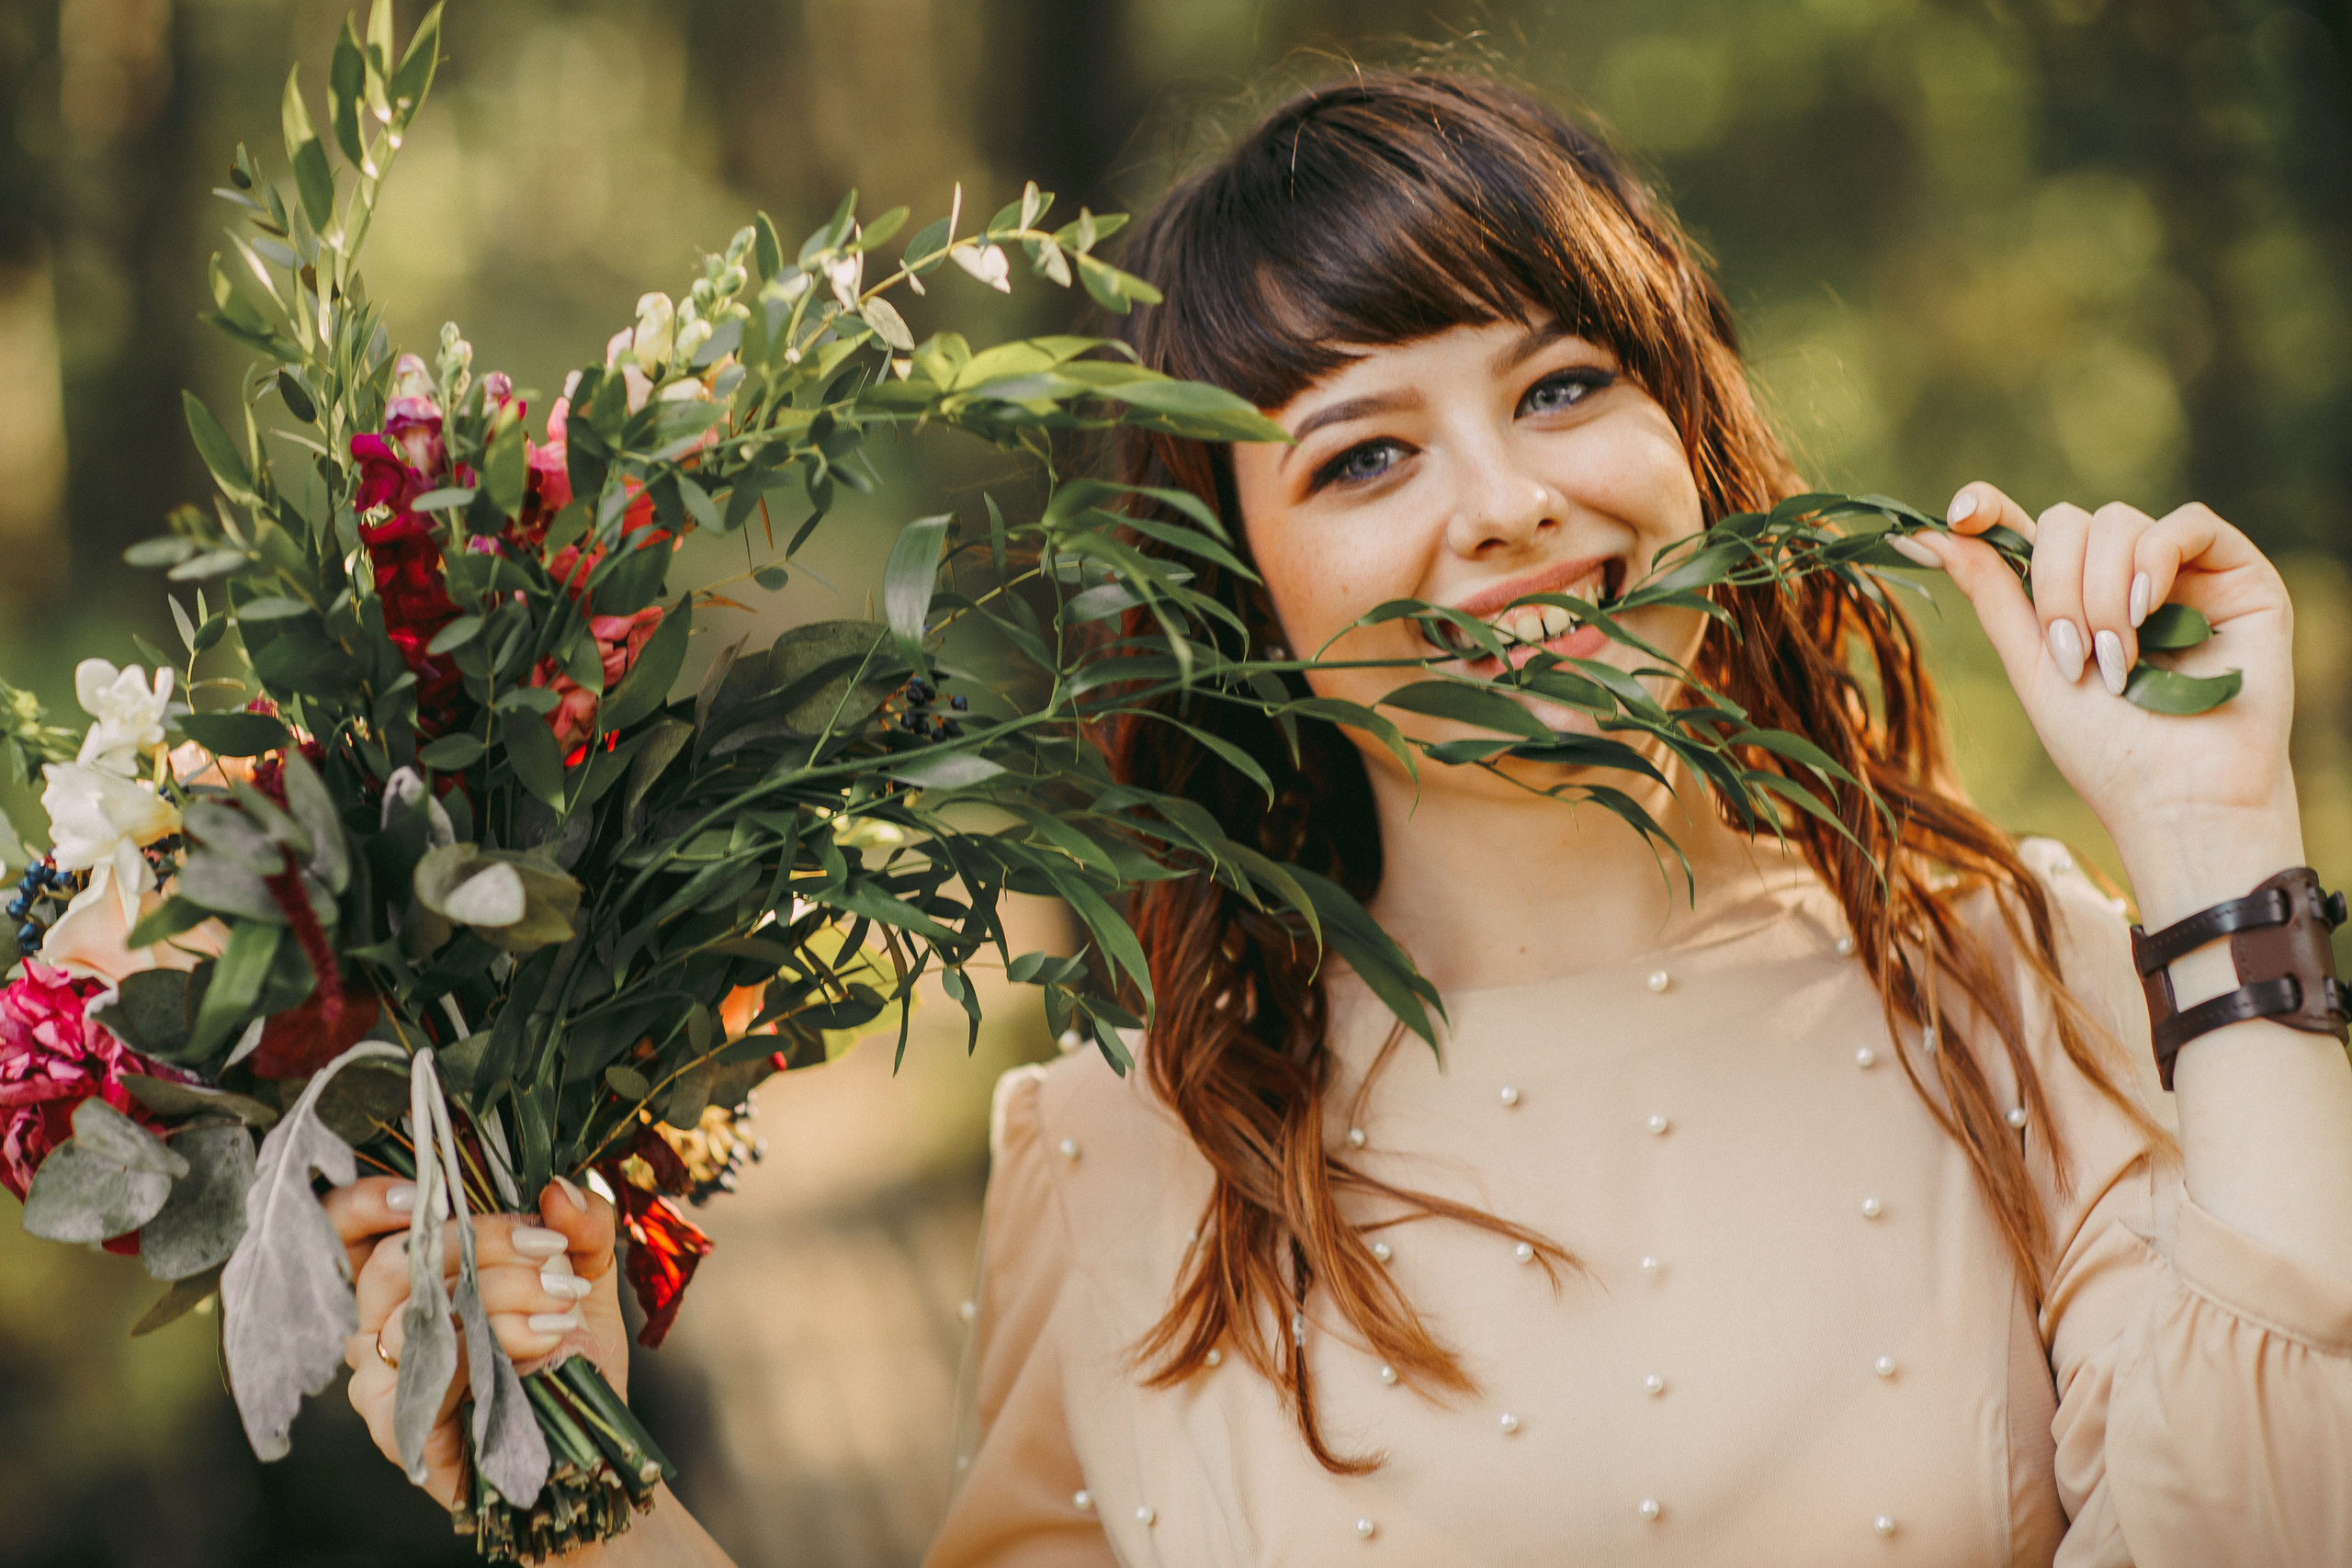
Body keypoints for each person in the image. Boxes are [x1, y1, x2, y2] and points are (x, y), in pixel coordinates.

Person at [330, 73, 2352, 1565]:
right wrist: (566, 1484)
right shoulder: (1130, 1153)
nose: (1507, 504)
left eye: (1562, 387)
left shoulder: (2016, 983)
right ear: (1237, 594)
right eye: (1365, 455)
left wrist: (2211, 841)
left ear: (1694, 432)